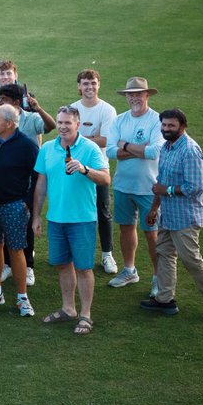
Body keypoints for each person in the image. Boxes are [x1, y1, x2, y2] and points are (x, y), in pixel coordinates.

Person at [140, 109, 203, 321]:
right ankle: (164, 299)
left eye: (171, 126)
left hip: (186, 217)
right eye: (164, 125)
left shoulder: (190, 150)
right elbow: (160, 182)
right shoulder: (167, 148)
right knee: (164, 253)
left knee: (190, 258)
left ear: (182, 126)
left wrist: (166, 191)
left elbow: (196, 187)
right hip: (168, 215)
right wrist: (154, 209)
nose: (166, 129)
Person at [32, 106, 112, 335]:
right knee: (62, 264)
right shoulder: (47, 148)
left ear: (78, 124)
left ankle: (86, 314)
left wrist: (85, 169)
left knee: (84, 267)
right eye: (59, 122)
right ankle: (69, 308)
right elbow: (41, 184)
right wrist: (36, 216)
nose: (63, 127)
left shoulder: (90, 148)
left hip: (82, 220)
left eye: (68, 123)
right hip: (56, 219)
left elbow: (106, 178)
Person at [105, 77, 165, 295]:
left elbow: (154, 152)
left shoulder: (157, 120)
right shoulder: (119, 121)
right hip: (123, 185)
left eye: (139, 94)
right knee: (126, 228)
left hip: (149, 187)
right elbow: (110, 151)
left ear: (147, 95)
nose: (134, 98)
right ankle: (129, 270)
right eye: (131, 94)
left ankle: (160, 277)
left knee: (152, 233)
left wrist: (126, 145)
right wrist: (139, 149)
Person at [0, 104, 39, 317]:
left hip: (14, 205)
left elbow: (38, 176)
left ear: (10, 124)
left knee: (16, 250)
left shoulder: (27, 145)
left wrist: (27, 201)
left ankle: (22, 298)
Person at [70, 69, 119, 275]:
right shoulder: (73, 108)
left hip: (99, 168)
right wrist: (93, 136)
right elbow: (67, 136)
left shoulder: (107, 110)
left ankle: (107, 254)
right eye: (85, 83)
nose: (89, 87)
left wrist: (80, 137)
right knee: (75, 211)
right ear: (79, 86)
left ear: (99, 85)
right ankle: (74, 253)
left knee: (103, 212)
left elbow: (107, 140)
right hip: (73, 166)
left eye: (93, 83)